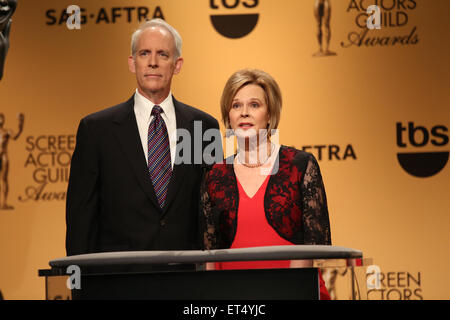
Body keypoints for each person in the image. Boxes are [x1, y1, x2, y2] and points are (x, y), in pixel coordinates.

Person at [66, 19, 220, 256]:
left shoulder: (202, 126)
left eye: (163, 54)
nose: (153, 62)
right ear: (132, 62)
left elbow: (213, 210)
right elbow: (81, 217)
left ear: (177, 65)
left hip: (187, 277)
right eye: (144, 53)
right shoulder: (97, 130)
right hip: (119, 280)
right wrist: (82, 285)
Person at [201, 69, 332, 299]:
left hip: (294, 293)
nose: (244, 113)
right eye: (236, 106)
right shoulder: (214, 174)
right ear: (227, 117)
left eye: (254, 105)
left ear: (270, 114)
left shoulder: (300, 166)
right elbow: (209, 256)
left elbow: (315, 245)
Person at [0, 112, 24, 209]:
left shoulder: (7, 132)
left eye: (1, 118)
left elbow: (16, 136)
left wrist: (20, 124)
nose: (0, 120)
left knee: (4, 179)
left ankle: (4, 203)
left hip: (3, 156)